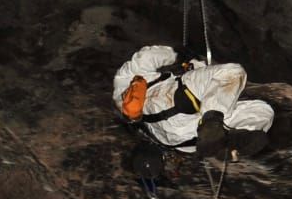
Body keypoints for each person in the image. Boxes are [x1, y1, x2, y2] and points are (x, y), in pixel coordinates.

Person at [112, 45, 273, 160]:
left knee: (264, 111)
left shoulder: (129, 107)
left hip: (180, 137)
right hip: (170, 101)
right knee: (233, 72)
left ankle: (228, 143)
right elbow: (145, 57)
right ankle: (213, 123)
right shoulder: (125, 80)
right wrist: (177, 54)